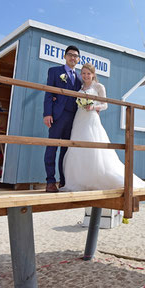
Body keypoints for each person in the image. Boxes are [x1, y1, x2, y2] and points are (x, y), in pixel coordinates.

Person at [63, 63, 145, 191]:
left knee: (94, 146)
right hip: (79, 118)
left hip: (91, 117)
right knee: (77, 147)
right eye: (84, 73)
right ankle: (80, 180)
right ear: (81, 74)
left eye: (88, 73)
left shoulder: (98, 86)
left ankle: (96, 178)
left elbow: (105, 105)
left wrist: (93, 107)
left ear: (93, 74)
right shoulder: (80, 87)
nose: (86, 76)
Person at [43, 45, 83, 192]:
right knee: (52, 147)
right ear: (65, 57)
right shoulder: (54, 71)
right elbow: (48, 93)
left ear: (78, 60)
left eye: (76, 56)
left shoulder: (80, 78)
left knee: (66, 150)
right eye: (70, 55)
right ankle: (50, 181)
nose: (73, 58)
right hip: (57, 116)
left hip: (73, 118)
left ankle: (63, 181)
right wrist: (47, 113)